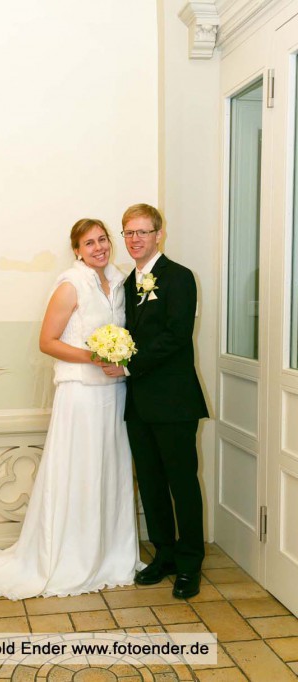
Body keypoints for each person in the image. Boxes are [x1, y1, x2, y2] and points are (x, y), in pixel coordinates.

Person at [0, 218, 140, 599]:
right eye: (89, 243)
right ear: (77, 250)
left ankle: (109, 554)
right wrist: (93, 356)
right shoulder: (70, 285)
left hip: (115, 394)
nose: (98, 248)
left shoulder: (121, 282)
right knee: (79, 471)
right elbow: (48, 341)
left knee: (106, 470)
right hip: (80, 396)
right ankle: (71, 557)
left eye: (103, 240)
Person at [101, 204, 208, 600]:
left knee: (182, 483)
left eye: (143, 232)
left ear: (159, 234)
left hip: (175, 402)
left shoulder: (179, 277)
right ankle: (163, 555)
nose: (135, 240)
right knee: (150, 483)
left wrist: (128, 365)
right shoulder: (128, 282)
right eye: (129, 233)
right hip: (139, 404)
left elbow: (176, 336)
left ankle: (190, 563)